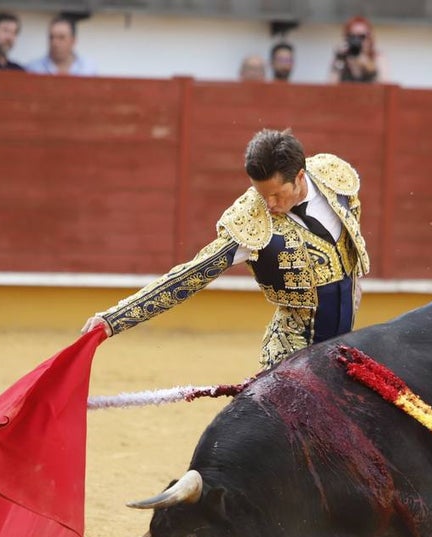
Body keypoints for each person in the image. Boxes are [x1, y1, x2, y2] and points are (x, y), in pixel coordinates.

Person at [81, 128, 371, 369]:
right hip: (292, 356)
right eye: (261, 194)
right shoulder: (251, 222)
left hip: (342, 347)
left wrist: (354, 281)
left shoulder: (333, 177)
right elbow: (191, 275)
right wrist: (113, 320)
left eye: (276, 194)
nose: (269, 204)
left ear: (299, 177)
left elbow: (350, 230)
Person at [26, 15, 97, 76]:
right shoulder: (33, 68)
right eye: (51, 37)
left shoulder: (88, 69)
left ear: (73, 41)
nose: (54, 43)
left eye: (61, 38)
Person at [329, 15, 385, 83]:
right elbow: (330, 86)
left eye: (361, 36)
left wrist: (367, 64)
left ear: (369, 38)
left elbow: (385, 87)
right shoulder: (341, 59)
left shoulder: (377, 57)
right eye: (352, 36)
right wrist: (339, 59)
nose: (356, 41)